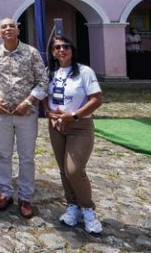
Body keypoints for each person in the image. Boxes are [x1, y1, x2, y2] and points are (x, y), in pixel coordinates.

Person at [0, 18, 47, 218]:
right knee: (3, 155)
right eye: (4, 27)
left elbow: (43, 81)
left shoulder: (31, 53)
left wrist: (28, 102)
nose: (8, 29)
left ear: (18, 30)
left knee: (26, 157)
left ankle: (25, 197)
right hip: (1, 113)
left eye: (12, 26)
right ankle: (5, 192)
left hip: (26, 114)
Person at [44, 36, 104, 234]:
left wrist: (74, 115)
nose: (62, 50)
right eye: (57, 47)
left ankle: (88, 209)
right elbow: (44, 96)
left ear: (72, 49)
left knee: (74, 170)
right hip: (57, 126)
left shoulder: (84, 71)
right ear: (52, 52)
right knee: (63, 170)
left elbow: (96, 99)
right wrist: (49, 113)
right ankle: (72, 206)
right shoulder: (49, 72)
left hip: (80, 126)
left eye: (65, 46)